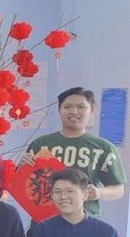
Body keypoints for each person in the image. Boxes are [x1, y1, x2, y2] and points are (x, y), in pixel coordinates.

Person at [21, 87, 126, 217]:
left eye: (81, 107)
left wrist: (99, 192)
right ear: (59, 110)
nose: (74, 111)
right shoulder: (40, 144)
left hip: (85, 220)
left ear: (92, 111)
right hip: (45, 221)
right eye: (67, 107)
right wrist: (23, 166)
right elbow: (23, 184)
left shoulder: (104, 148)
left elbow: (119, 189)